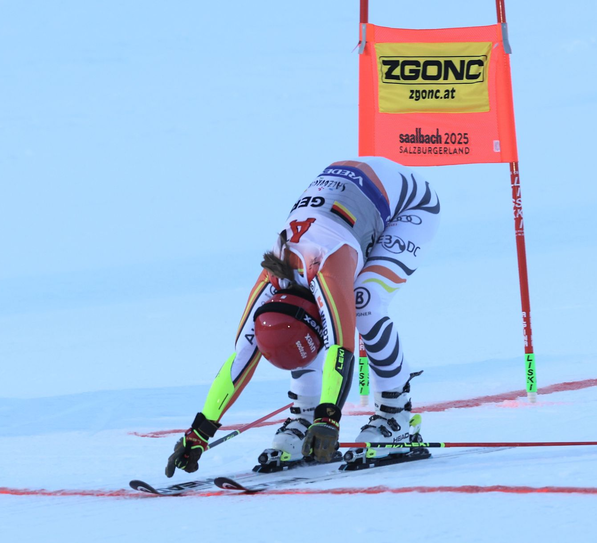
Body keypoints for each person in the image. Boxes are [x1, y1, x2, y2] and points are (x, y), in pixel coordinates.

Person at [165, 156, 440, 478]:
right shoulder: (271, 280)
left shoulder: (325, 268)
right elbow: (242, 355)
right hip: (351, 190)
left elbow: (341, 348)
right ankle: (303, 414)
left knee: (365, 303)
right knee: (297, 325)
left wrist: (329, 419)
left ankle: (398, 418)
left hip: (410, 205)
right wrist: (200, 430)